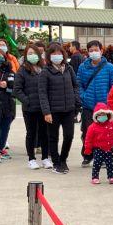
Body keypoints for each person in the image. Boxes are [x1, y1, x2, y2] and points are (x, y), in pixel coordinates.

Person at [39, 42, 80, 174]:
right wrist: (46, 112)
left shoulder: (68, 68)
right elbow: (42, 93)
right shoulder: (45, 71)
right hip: (53, 111)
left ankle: (63, 159)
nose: (57, 56)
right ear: (49, 56)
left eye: (59, 53)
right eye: (54, 54)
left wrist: (76, 101)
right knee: (53, 137)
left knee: (69, 136)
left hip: (69, 109)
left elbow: (75, 86)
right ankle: (56, 162)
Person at [77, 40, 113, 167]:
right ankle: (87, 155)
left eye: (96, 50)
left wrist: (110, 102)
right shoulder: (83, 67)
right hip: (88, 106)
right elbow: (79, 85)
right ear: (87, 52)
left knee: (105, 133)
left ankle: (105, 157)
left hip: (104, 108)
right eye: (91, 50)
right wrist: (84, 97)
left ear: (101, 51)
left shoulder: (109, 67)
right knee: (87, 131)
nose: (94, 52)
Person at [13, 44, 52, 169]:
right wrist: (27, 100)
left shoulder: (45, 69)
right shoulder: (22, 70)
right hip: (29, 108)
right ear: (25, 55)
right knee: (31, 133)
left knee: (44, 133)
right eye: (29, 53)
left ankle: (45, 158)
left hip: (44, 108)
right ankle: (31, 159)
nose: (32, 56)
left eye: (34, 53)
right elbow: (17, 90)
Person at [83, 103, 113, 185]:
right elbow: (88, 139)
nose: (102, 116)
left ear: (108, 114)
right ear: (96, 116)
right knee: (97, 163)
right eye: (99, 114)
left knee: (110, 164)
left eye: (103, 114)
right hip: (98, 149)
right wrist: (87, 149)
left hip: (110, 148)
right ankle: (95, 177)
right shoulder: (92, 127)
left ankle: (111, 176)